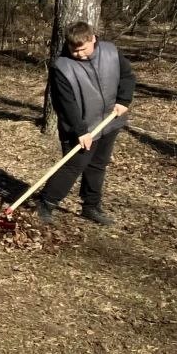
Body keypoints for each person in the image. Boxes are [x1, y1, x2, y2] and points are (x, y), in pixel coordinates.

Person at [38, 21, 135, 225]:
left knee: (98, 165)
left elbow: (127, 76)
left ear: (93, 39)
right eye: (75, 51)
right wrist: (80, 130)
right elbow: (66, 104)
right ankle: (46, 204)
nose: (79, 55)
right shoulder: (62, 67)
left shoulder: (111, 52)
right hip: (80, 127)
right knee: (74, 165)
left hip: (110, 120)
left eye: (83, 50)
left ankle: (91, 207)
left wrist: (123, 100)